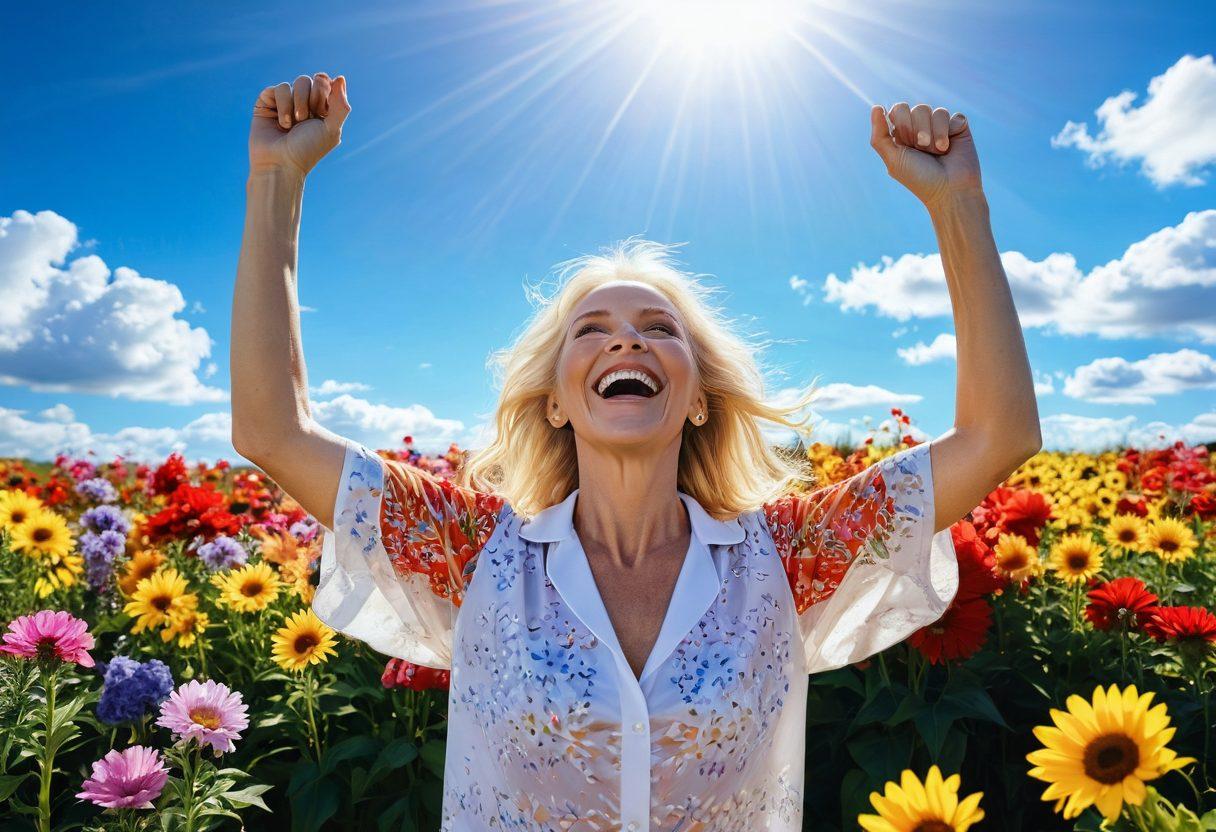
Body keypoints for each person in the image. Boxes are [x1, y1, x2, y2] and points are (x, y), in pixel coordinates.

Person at [231, 72, 1041, 831]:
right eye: (594, 330)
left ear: (696, 399)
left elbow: (997, 437)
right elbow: (273, 431)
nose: (627, 339)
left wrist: (957, 202)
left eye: (659, 330)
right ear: (555, 399)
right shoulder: (469, 550)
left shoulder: (791, 558)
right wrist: (277, 181)